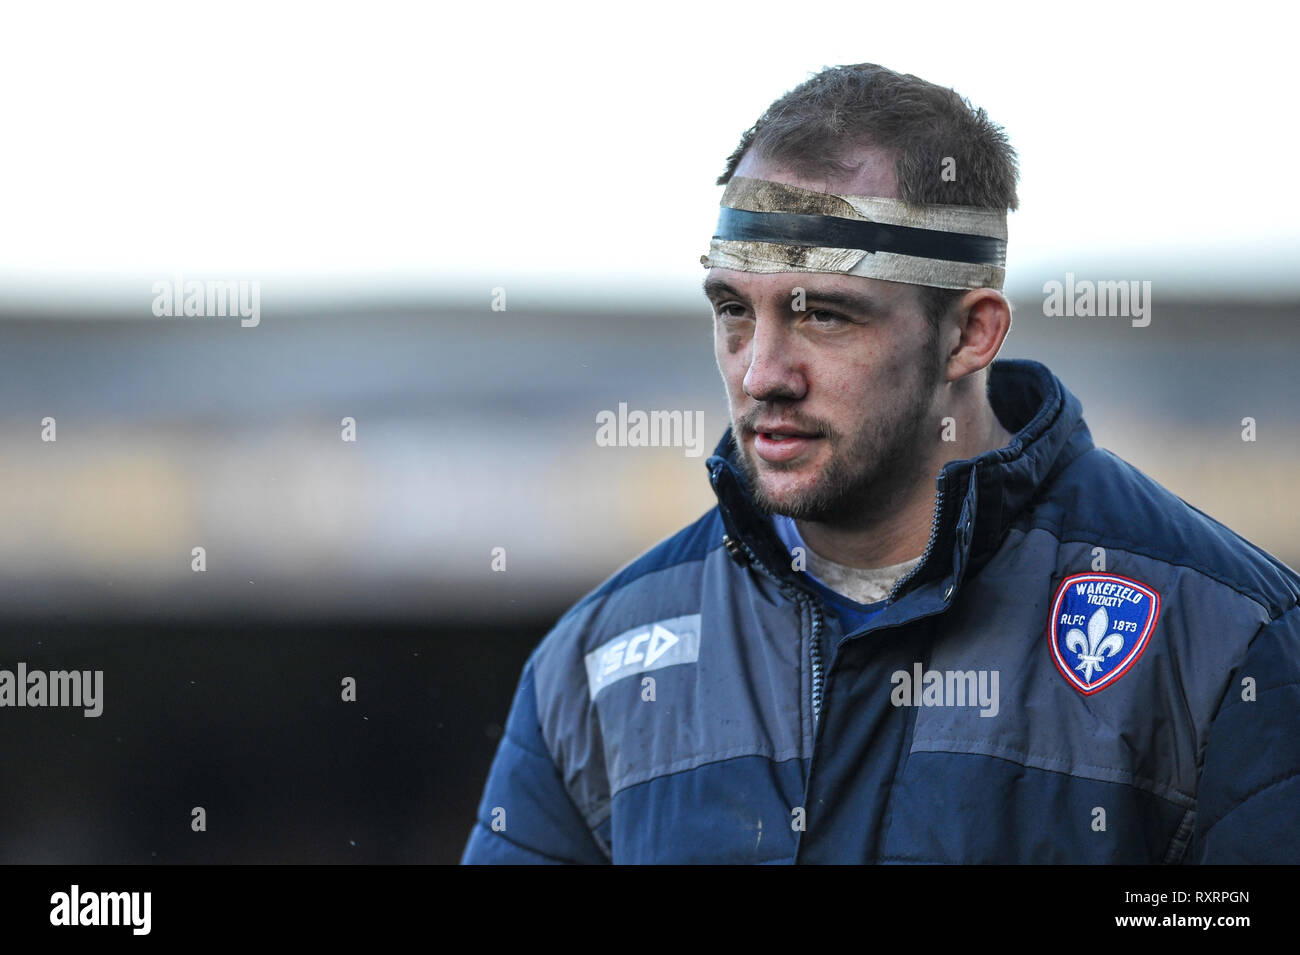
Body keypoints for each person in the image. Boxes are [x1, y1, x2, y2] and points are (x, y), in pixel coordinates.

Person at [461, 63, 1300, 864]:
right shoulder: (601, 662)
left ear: (971, 333)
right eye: (732, 312)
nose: (762, 373)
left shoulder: (1225, 635)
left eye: (825, 315)